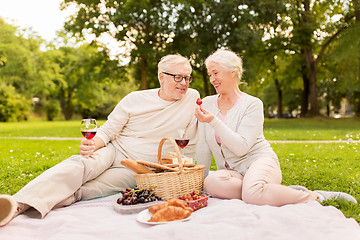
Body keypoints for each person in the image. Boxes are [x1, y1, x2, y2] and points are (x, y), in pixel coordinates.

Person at [0, 54, 200, 227]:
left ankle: (26, 207)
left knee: (88, 190)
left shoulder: (192, 98)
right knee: (79, 166)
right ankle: (16, 204)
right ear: (161, 77)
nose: (183, 83)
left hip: (139, 169)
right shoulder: (134, 99)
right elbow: (109, 130)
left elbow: (189, 143)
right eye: (178, 77)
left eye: (187, 78)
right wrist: (93, 144)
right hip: (114, 150)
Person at [194, 49, 357, 206]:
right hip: (233, 174)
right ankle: (271, 191)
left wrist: (213, 121)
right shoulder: (207, 103)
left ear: (233, 72)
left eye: (215, 73)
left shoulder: (252, 104)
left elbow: (241, 147)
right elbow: (203, 146)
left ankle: (315, 196)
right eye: (209, 75)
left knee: (252, 194)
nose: (212, 79)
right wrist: (199, 187)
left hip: (259, 162)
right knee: (211, 183)